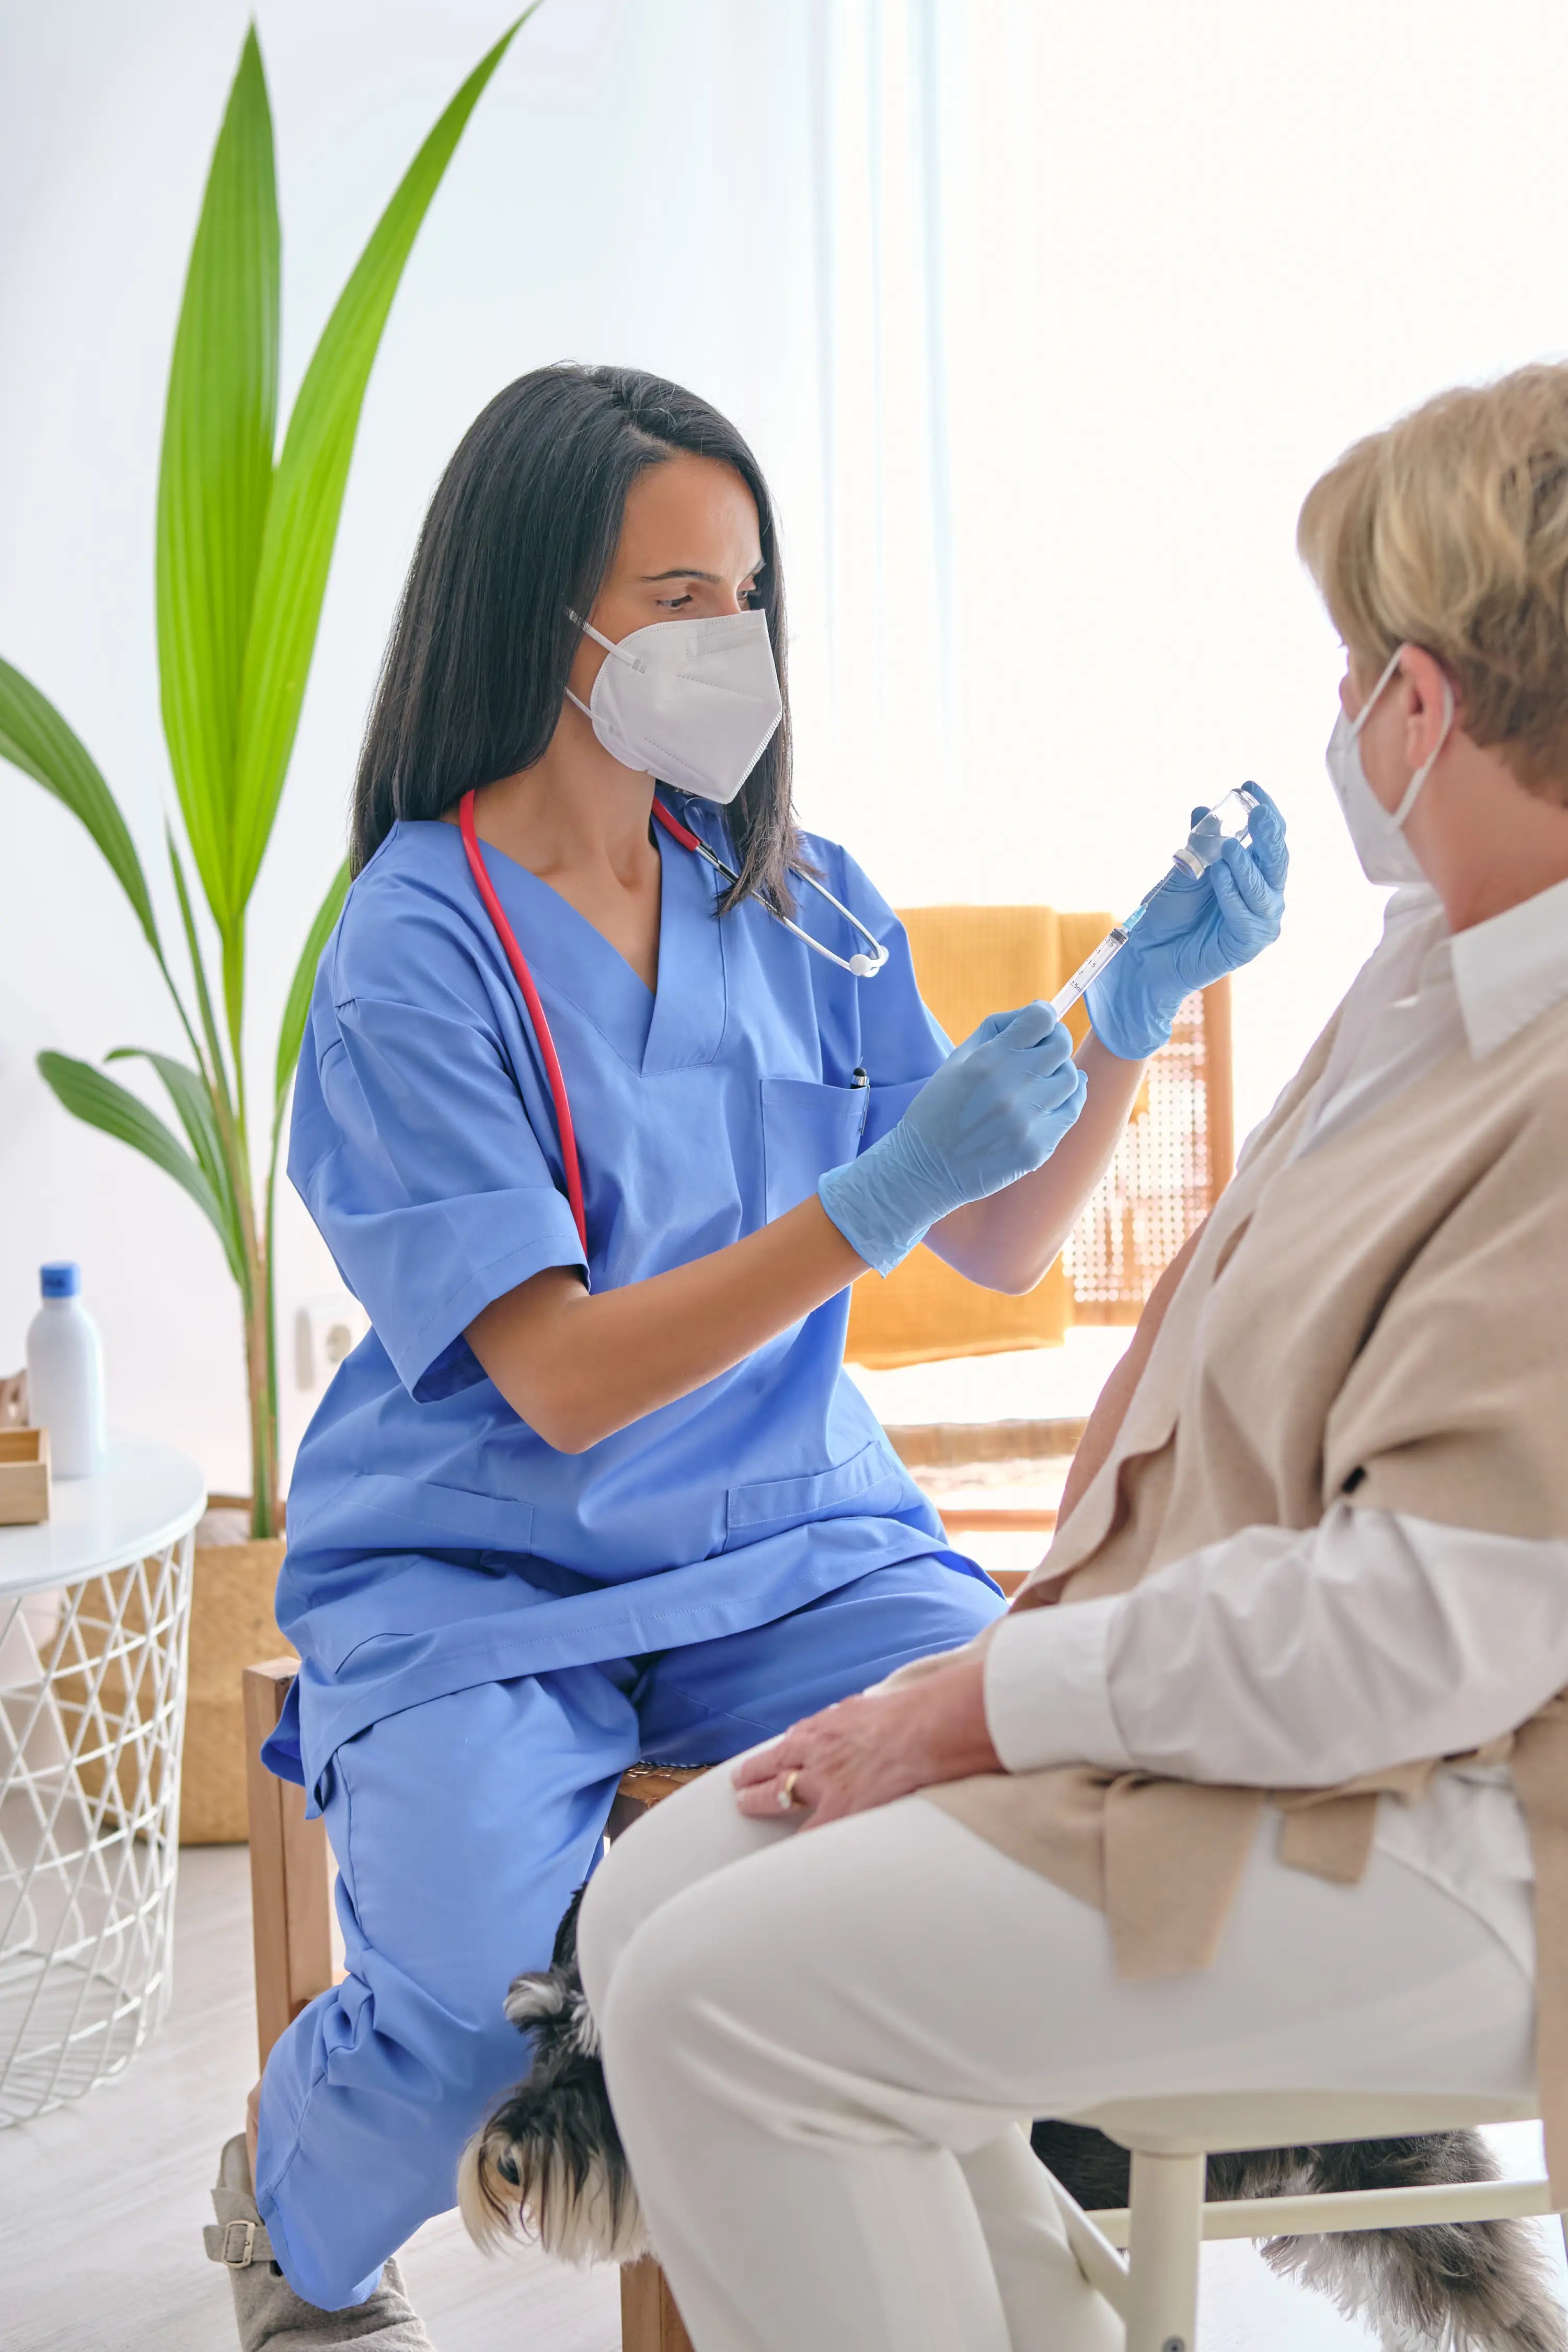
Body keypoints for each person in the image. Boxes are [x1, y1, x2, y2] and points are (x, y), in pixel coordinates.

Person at [203, 362, 1284, 2344]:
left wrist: (1130, 1009)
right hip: (483, 1574)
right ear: (542, 617)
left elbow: (1002, 1234)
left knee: (1029, 1796)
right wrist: (872, 1197)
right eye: (682, 598)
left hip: (791, 1542)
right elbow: (563, 1378)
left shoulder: (799, 900)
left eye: (751, 593)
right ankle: (289, 2198)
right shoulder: (414, 948)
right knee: (492, 2018)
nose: (736, 644)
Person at [577, 359, 1568, 2352]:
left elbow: (1425, 1628)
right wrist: (1128, 1000)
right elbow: (1200, 1327)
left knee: (714, 2002)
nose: (1342, 715)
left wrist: (988, 1703)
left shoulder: (1525, 1053)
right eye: (679, 601)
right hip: (1258, 1704)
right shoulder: (1432, 972)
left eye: (1354, 670)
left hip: (1450, 1811)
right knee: (639, 1907)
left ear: (1420, 704)